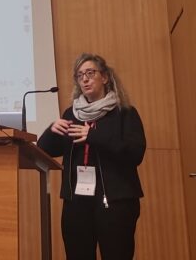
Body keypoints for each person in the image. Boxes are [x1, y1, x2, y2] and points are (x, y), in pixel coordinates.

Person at [37, 53, 146, 260]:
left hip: (115, 203)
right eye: (80, 76)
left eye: (90, 73)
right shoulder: (71, 114)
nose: (85, 79)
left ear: (104, 77)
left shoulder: (125, 112)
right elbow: (44, 151)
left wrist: (93, 136)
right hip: (77, 203)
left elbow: (135, 153)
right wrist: (51, 131)